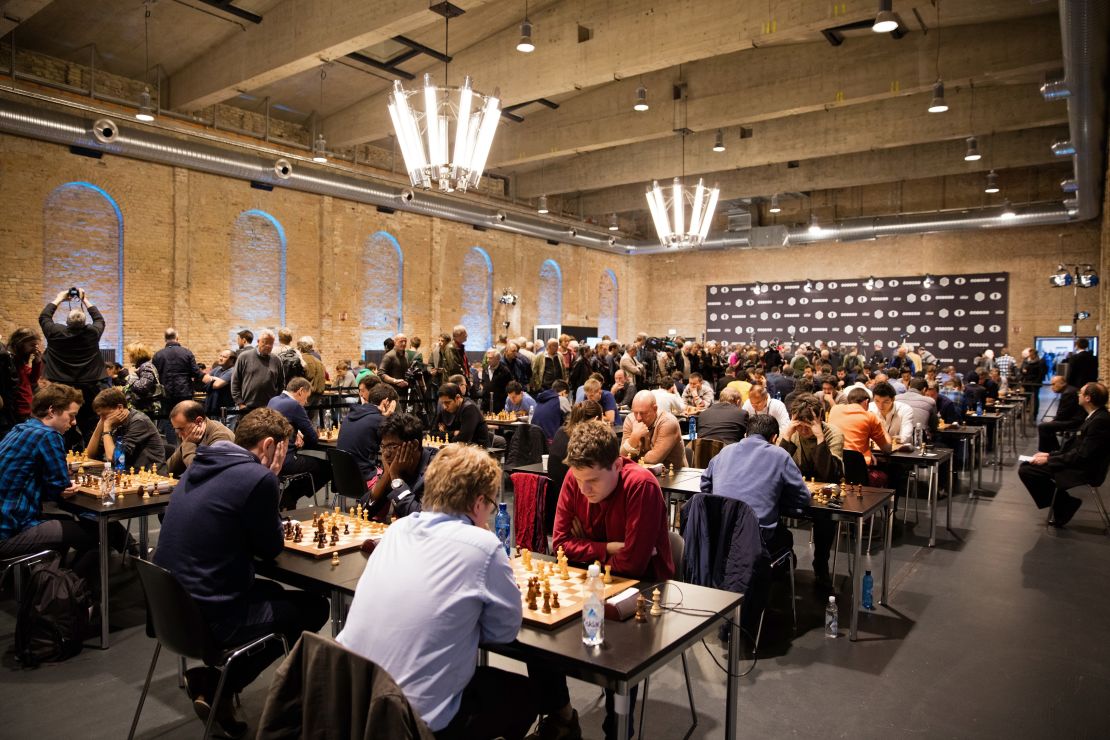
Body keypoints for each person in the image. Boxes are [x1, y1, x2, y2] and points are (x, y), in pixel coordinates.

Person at [340, 444, 577, 739]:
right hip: (413, 723)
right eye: (491, 504)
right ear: (478, 503)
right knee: (524, 694)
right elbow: (503, 632)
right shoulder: (483, 546)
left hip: (350, 704)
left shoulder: (397, 531)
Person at [154, 408, 329, 736]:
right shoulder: (257, 477)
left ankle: (213, 682)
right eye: (284, 448)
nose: (285, 455)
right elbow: (270, 548)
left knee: (276, 594)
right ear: (267, 446)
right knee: (315, 606)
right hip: (212, 617)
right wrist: (272, 479)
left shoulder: (203, 462)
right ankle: (218, 682)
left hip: (171, 608)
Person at [552, 420, 673, 739]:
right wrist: (606, 547)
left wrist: (586, 549)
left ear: (617, 465)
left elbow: (633, 565)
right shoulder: (574, 476)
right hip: (588, 583)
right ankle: (560, 714)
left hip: (643, 590)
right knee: (540, 641)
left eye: (592, 481)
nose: (583, 489)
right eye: (579, 481)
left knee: (619, 656)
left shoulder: (641, 484)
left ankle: (618, 731)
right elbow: (560, 543)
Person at [0, 384, 128, 572]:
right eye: (72, 415)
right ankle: (70, 590)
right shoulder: (48, 435)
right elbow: (59, 486)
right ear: (52, 411)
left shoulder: (19, 428)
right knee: (102, 534)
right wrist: (61, 484)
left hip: (10, 521)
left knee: (75, 524)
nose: (74, 422)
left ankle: (57, 581)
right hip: (10, 533)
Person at [1019, 382, 1110, 527]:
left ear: (1088, 398)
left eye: (1081, 392)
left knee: (1027, 470)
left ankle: (1065, 504)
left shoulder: (1100, 421)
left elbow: (1082, 455)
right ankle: (1064, 505)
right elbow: (1075, 447)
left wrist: (1050, 460)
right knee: (1028, 467)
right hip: (1080, 463)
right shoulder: (1095, 416)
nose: (1078, 395)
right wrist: (1049, 455)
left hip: (1086, 470)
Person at [778, 398, 842, 590]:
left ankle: (821, 563)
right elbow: (776, 466)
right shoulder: (793, 433)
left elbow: (829, 474)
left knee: (825, 516)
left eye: (808, 426)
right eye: (800, 425)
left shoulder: (833, 434)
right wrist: (787, 435)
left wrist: (820, 438)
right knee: (769, 506)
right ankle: (783, 555)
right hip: (798, 490)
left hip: (825, 493)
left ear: (819, 419)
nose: (803, 431)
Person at [38, 288, 107, 443]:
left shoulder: (55, 332)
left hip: (62, 387)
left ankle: (62, 453)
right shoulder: (92, 333)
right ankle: (91, 458)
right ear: (85, 324)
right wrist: (85, 299)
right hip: (89, 387)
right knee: (90, 424)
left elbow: (44, 317)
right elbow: (99, 319)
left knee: (61, 421)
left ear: (66, 322)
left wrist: (59, 298)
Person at [267, 377, 330, 509]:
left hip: (269, 458)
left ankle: (287, 496)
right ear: (300, 391)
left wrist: (296, 434)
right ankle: (290, 496)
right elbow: (313, 437)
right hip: (286, 460)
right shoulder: (294, 405)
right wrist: (302, 440)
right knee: (327, 468)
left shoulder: (274, 400)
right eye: (306, 397)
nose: (306, 402)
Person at [363, 412, 437, 519]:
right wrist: (386, 476)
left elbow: (422, 520)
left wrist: (396, 478)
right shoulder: (395, 465)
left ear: (415, 445)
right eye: (383, 446)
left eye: (392, 446)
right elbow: (363, 512)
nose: (386, 453)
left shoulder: (438, 470)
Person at [546, 401, 604, 533]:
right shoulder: (587, 442)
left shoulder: (561, 432)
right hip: (577, 511)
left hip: (555, 506)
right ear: (596, 420)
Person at [85, 386, 165, 472]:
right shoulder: (112, 422)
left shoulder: (139, 421)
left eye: (105, 415)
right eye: (100, 416)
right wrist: (100, 424)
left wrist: (107, 428)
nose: (103, 419)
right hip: (126, 473)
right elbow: (89, 455)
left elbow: (114, 458)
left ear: (120, 408)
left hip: (150, 476)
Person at [337, 380, 399, 482]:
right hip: (363, 479)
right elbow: (397, 441)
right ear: (386, 402)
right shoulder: (379, 420)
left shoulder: (351, 414)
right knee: (398, 476)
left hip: (340, 478)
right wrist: (390, 417)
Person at [153, 328, 203, 444]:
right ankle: (187, 445)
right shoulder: (187, 352)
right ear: (177, 337)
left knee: (169, 420)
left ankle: (172, 449)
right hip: (184, 393)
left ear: (165, 339)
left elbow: (155, 376)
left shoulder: (158, 355)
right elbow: (195, 372)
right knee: (187, 418)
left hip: (166, 394)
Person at [165, 400, 234, 476]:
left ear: (199, 422)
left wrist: (189, 444)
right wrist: (187, 444)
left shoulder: (221, 437)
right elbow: (170, 469)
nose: (179, 435)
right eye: (176, 429)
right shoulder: (191, 435)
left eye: (181, 429)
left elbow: (202, 473)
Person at [620, 390, 686, 469]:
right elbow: (623, 455)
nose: (638, 418)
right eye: (635, 412)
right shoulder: (630, 419)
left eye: (643, 413)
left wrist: (633, 454)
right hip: (641, 474)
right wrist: (634, 436)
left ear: (655, 409)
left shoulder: (668, 422)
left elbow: (654, 460)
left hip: (673, 476)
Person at [828, 387, 892, 466]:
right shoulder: (870, 417)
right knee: (883, 476)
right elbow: (887, 449)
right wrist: (881, 424)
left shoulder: (834, 409)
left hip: (833, 465)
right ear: (867, 402)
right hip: (858, 468)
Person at [0, 327, 43, 440]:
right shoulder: (10, 359)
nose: (35, 348)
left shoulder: (20, 360)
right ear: (20, 343)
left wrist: (37, 362)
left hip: (25, 408)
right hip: (17, 409)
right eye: (32, 345)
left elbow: (32, 380)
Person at [232, 329, 284, 411]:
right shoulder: (244, 357)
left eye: (271, 343)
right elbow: (235, 381)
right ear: (258, 341)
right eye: (265, 342)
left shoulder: (276, 360)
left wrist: (276, 403)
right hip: (247, 407)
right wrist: (240, 403)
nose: (268, 346)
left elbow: (281, 384)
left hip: (269, 408)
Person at [1037, 375, 1085, 452]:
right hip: (1075, 419)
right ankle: (1054, 450)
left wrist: (1053, 421)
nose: (1051, 387)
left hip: (1075, 422)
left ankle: (1048, 452)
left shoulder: (1068, 393)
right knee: (1047, 426)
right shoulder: (1069, 389)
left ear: (1062, 383)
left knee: (1043, 427)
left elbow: (1063, 413)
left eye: (1054, 384)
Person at [435, 382, 489, 447]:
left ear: (457, 398)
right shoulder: (446, 408)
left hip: (478, 451)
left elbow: (463, 439)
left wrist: (444, 435)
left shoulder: (469, 408)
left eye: (447, 402)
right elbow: (432, 434)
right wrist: (453, 433)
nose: (444, 406)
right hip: (458, 448)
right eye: (442, 403)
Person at [869, 381, 914, 447]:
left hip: (899, 451)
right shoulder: (870, 408)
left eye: (885, 402)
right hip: (876, 450)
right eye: (877, 401)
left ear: (893, 399)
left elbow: (906, 437)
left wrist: (886, 440)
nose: (880, 406)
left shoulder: (905, 409)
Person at [202, 349, 236, 418]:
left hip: (227, 410)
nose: (220, 358)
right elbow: (204, 379)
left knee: (226, 429)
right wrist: (215, 379)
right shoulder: (217, 368)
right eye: (220, 356)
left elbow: (216, 385)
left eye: (224, 357)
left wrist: (211, 378)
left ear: (232, 360)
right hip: (214, 407)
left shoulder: (232, 371)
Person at [478, 348, 512, 413]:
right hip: (486, 405)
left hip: (500, 406)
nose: (488, 360)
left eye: (490, 358)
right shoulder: (485, 370)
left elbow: (509, 389)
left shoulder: (505, 371)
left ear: (498, 359)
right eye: (487, 358)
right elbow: (483, 383)